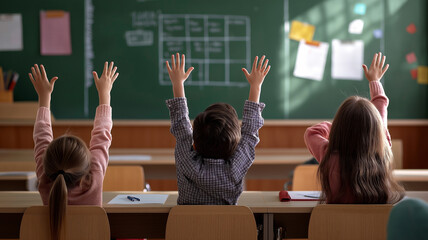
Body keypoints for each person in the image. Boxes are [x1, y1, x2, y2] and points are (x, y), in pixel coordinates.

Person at [165, 53, 270, 204]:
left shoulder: (187, 164)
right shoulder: (235, 170)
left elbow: (181, 127)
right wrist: (256, 86)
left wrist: (177, 83)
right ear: (234, 144)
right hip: (228, 228)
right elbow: (249, 134)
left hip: (187, 227)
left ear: (195, 141)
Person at [30, 62, 118, 239]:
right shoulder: (95, 178)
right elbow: (102, 132)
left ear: (46, 162)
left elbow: (41, 135)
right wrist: (104, 94)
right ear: (89, 164)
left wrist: (44, 97)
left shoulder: (45, 180)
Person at [304, 52, 404, 204]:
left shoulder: (329, 156)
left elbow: (312, 133)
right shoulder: (383, 154)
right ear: (376, 131)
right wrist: (375, 81)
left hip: (334, 227)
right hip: (374, 228)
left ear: (340, 127)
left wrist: (342, 126)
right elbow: (380, 112)